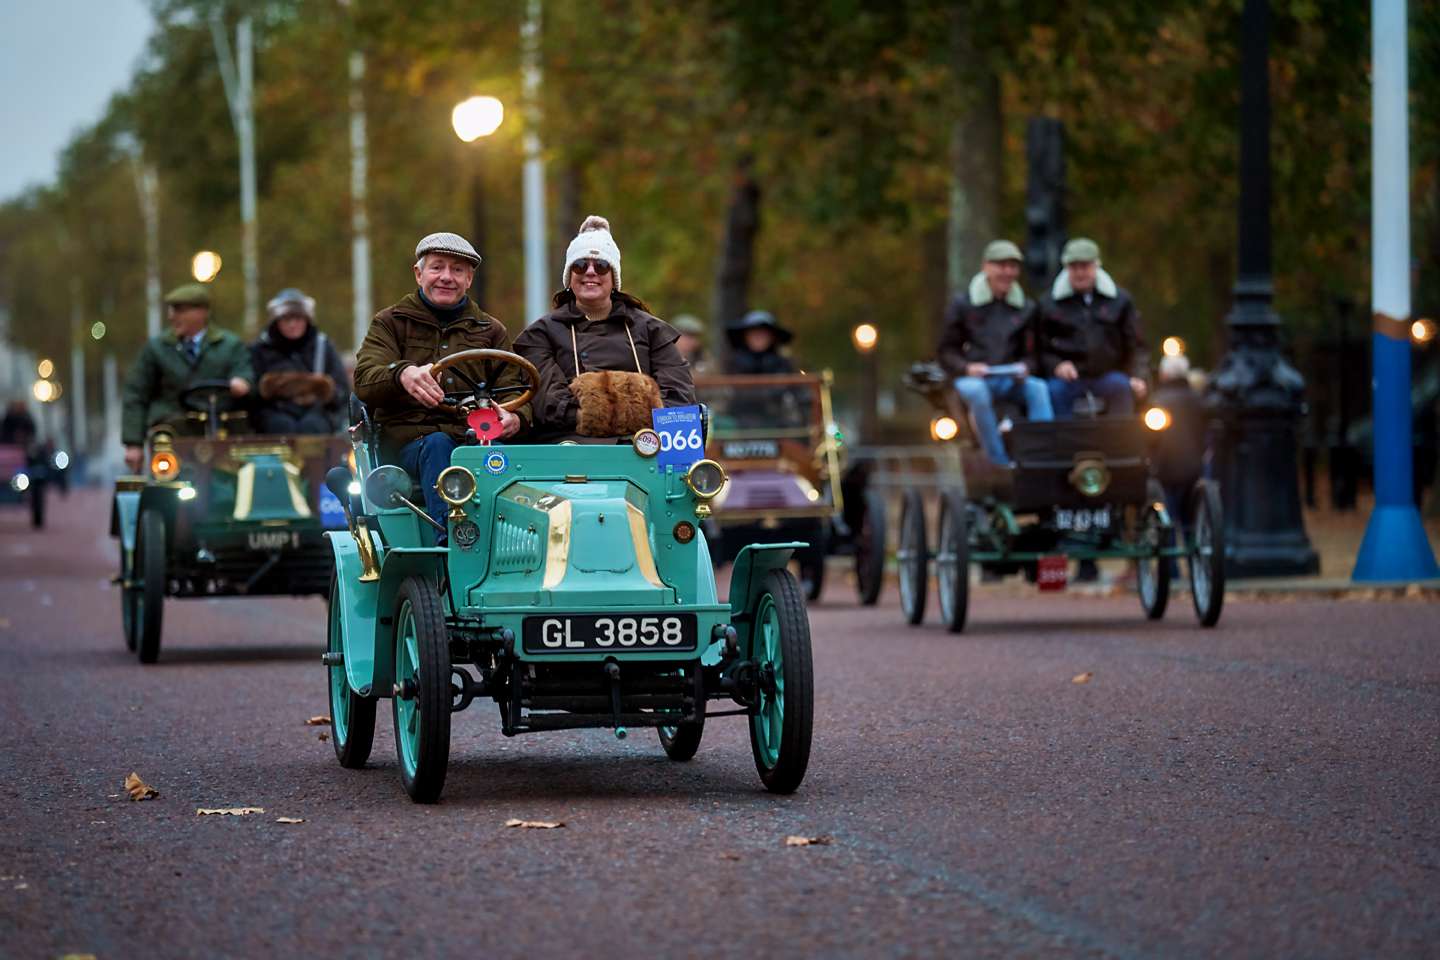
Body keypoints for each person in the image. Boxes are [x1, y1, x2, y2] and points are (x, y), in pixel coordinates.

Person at [353, 232, 527, 539]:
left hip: (475, 440)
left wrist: (516, 416)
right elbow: (365, 379)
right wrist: (401, 374)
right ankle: (453, 541)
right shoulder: (390, 323)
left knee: (505, 459)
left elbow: (516, 389)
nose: (447, 277)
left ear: (469, 279)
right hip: (411, 445)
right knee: (438, 445)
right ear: (419, 274)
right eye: (437, 267)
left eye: (457, 270)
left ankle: (517, 543)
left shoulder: (490, 330)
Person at [514, 215, 694, 442]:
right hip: (570, 444)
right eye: (580, 265)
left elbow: (680, 398)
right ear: (570, 276)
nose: (590, 272)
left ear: (614, 276)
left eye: (601, 266)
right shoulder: (540, 333)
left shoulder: (651, 329)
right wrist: (637, 405)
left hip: (646, 444)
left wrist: (597, 408)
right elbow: (546, 402)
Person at [937, 239, 1053, 466]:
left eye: (1012, 266)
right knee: (978, 393)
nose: (1007, 272)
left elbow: (1033, 354)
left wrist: (1026, 367)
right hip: (971, 379)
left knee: (1039, 388)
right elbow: (946, 351)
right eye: (1001, 265)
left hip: (1009, 377)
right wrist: (967, 368)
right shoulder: (963, 305)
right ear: (986, 267)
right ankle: (997, 461)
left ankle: (1042, 456)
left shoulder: (1026, 308)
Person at [121, 283, 254, 473]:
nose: (172, 316)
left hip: (223, 428)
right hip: (174, 432)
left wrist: (242, 382)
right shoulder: (158, 349)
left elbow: (245, 373)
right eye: (172, 310)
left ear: (202, 313)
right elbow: (136, 394)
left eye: (179, 310)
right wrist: (133, 444)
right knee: (164, 453)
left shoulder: (229, 346)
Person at [1038, 238, 1148, 419]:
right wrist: (1056, 365)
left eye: (1085, 266)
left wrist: (1137, 375)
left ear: (1097, 266)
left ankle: (1120, 444)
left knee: (1122, 387)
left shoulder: (1120, 301)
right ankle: (1064, 445)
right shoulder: (1048, 304)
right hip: (1068, 380)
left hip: (1108, 375)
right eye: (1074, 267)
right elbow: (1040, 348)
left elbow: (1136, 345)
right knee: (1053, 391)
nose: (1080, 273)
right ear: (1066, 268)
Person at [250, 288, 349, 434]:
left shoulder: (323, 346)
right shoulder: (260, 349)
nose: (292, 324)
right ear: (276, 321)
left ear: (307, 320)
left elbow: (342, 391)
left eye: (298, 319)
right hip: (274, 414)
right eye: (286, 319)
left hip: (317, 415)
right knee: (281, 427)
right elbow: (252, 394)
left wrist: (326, 392)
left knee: (312, 427)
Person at [726, 310, 795, 374]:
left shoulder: (783, 365)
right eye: (753, 333)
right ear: (744, 336)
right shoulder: (732, 365)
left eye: (763, 334)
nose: (758, 337)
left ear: (773, 337)